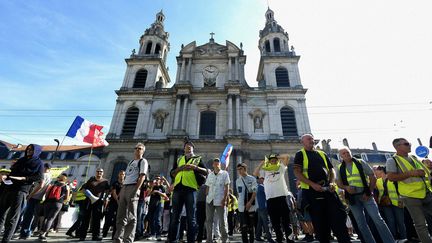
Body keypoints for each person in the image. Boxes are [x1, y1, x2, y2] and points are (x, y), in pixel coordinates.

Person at [293, 134, 351, 243]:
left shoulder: (322, 153)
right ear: (303, 142)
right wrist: (312, 184)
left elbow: (331, 170)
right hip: (312, 193)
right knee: (320, 225)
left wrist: (331, 182)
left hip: (328, 191)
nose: (312, 140)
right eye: (309, 139)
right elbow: (297, 172)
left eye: (312, 138)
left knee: (339, 218)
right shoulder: (300, 154)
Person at [336, 147, 394, 243]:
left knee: (377, 219)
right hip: (352, 199)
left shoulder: (360, 162)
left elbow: (372, 177)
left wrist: (369, 192)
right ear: (340, 156)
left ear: (351, 153)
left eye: (347, 152)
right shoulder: (339, 167)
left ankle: (389, 241)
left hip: (366, 196)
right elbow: (338, 183)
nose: (346, 154)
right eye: (343, 153)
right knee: (361, 224)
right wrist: (346, 188)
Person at [386, 138, 432, 243]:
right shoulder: (392, 160)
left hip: (425, 193)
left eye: (409, 143)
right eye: (406, 144)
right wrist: (411, 173)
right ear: (397, 147)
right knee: (420, 224)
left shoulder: (414, 158)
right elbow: (391, 177)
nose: (409, 145)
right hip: (410, 196)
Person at [0, 144, 44, 243]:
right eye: (28, 149)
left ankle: (5, 240)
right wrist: (4, 177)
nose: (29, 151)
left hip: (21, 191)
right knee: (1, 214)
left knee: (12, 218)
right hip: (8, 188)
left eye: (31, 150)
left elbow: (39, 178)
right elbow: (12, 173)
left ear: (36, 151)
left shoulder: (39, 163)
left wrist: (23, 178)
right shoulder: (21, 160)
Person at [168, 139, 208, 243]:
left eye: (190, 145)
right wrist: (179, 169)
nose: (188, 146)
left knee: (191, 217)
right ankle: (173, 240)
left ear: (193, 149)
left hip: (191, 189)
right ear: (184, 148)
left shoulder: (198, 159)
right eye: (186, 145)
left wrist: (194, 167)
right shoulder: (179, 159)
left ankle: (191, 240)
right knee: (175, 217)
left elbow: (206, 171)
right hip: (177, 189)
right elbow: (172, 173)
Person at [253, 153, 293, 243]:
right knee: (275, 223)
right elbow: (255, 173)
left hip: (282, 197)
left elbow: (287, 157)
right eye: (271, 160)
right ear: (269, 162)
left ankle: (290, 240)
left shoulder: (281, 168)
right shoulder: (264, 171)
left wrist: (276, 157)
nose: (273, 161)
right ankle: (279, 240)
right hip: (270, 199)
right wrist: (262, 163)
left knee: (286, 222)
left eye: (275, 160)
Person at [114, 142, 149, 243]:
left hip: (133, 187)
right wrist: (121, 190)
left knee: (131, 216)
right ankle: (117, 239)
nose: (137, 150)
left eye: (140, 148)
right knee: (120, 216)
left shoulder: (143, 161)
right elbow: (127, 176)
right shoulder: (131, 162)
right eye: (136, 148)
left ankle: (128, 240)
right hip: (125, 187)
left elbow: (142, 176)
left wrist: (136, 190)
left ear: (143, 151)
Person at [19, 162, 52, 239]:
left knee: (28, 216)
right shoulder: (50, 176)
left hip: (34, 197)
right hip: (40, 198)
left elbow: (41, 185)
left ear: (44, 167)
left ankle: (25, 233)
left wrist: (31, 195)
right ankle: (29, 232)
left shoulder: (43, 175)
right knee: (34, 216)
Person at [78, 168, 110, 241]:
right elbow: (83, 189)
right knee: (86, 219)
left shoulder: (105, 181)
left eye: (101, 171)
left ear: (103, 173)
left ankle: (95, 236)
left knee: (97, 219)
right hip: (88, 201)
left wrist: (106, 198)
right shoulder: (91, 180)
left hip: (98, 202)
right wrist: (89, 195)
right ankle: (82, 236)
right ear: (96, 172)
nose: (99, 173)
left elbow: (108, 191)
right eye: (98, 171)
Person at [375, 166, 407, 240]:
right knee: (390, 222)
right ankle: (393, 239)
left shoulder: (393, 179)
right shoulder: (378, 181)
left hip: (397, 203)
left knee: (400, 222)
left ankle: (404, 238)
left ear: (381, 171)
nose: (375, 172)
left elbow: (400, 190)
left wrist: (401, 200)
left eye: (377, 170)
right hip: (385, 204)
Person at [205, 158, 230, 243]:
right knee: (208, 220)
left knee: (222, 221)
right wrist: (206, 196)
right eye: (215, 163)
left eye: (217, 162)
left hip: (220, 200)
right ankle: (209, 239)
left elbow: (227, 187)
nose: (216, 164)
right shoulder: (210, 175)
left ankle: (224, 240)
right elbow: (207, 186)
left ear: (220, 164)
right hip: (210, 200)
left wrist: (225, 199)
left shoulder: (225, 174)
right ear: (213, 165)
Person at [38, 173, 70, 240]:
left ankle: (41, 232)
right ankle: (44, 233)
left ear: (59, 178)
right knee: (51, 219)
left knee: (46, 218)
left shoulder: (52, 185)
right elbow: (67, 198)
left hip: (48, 202)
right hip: (58, 203)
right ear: (65, 179)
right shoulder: (66, 186)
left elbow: (46, 195)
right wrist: (62, 202)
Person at [236, 163, 257, 243]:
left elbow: (254, 191)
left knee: (251, 227)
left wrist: (250, 202)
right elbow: (239, 193)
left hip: (251, 206)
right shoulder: (238, 181)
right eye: (238, 170)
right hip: (241, 207)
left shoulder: (252, 179)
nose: (239, 171)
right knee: (243, 227)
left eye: (240, 169)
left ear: (245, 169)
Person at [103, 170, 125, 239]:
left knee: (117, 220)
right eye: (120, 174)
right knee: (109, 218)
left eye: (123, 174)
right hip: (113, 203)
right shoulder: (115, 183)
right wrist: (118, 201)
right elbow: (114, 193)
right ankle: (104, 232)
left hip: (121, 204)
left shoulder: (125, 184)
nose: (122, 175)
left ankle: (114, 235)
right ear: (118, 175)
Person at [147, 176, 169, 241]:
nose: (157, 180)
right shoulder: (152, 186)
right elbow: (148, 194)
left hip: (159, 204)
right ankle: (153, 234)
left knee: (157, 219)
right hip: (152, 204)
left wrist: (158, 192)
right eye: (156, 179)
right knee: (151, 219)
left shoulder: (162, 187)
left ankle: (158, 235)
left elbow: (165, 196)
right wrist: (152, 188)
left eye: (158, 179)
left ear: (160, 180)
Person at [253, 176, 274, 243]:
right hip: (264, 207)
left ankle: (258, 236)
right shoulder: (261, 186)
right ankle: (269, 238)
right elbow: (269, 193)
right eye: (262, 179)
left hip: (259, 208)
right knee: (266, 222)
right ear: (259, 179)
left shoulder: (256, 187)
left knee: (260, 223)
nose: (263, 180)